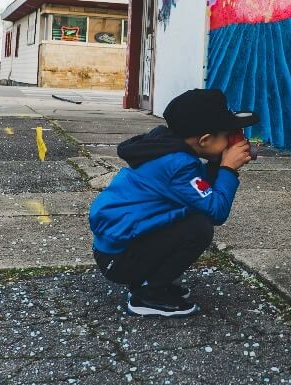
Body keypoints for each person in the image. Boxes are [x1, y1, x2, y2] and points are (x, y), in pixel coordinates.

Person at [90, 88, 258, 317]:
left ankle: (149, 281)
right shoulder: (177, 165)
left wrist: (217, 165)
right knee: (198, 228)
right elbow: (216, 210)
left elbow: (198, 192)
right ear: (205, 140)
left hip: (118, 248)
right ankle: (147, 294)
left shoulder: (169, 151)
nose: (234, 139)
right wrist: (228, 169)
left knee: (192, 219)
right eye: (228, 134)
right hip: (119, 259)